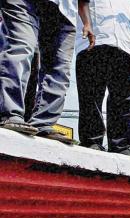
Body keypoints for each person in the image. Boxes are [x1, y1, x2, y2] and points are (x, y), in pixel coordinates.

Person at [0, 0, 89, 143]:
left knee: (59, 68)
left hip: (65, 10)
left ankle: (43, 123)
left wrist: (86, 22)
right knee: (21, 48)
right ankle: (9, 113)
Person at [75, 0, 130, 155]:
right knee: (91, 96)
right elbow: (82, 2)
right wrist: (87, 23)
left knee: (124, 102)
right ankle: (91, 141)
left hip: (126, 48)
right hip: (95, 42)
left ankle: (120, 146)